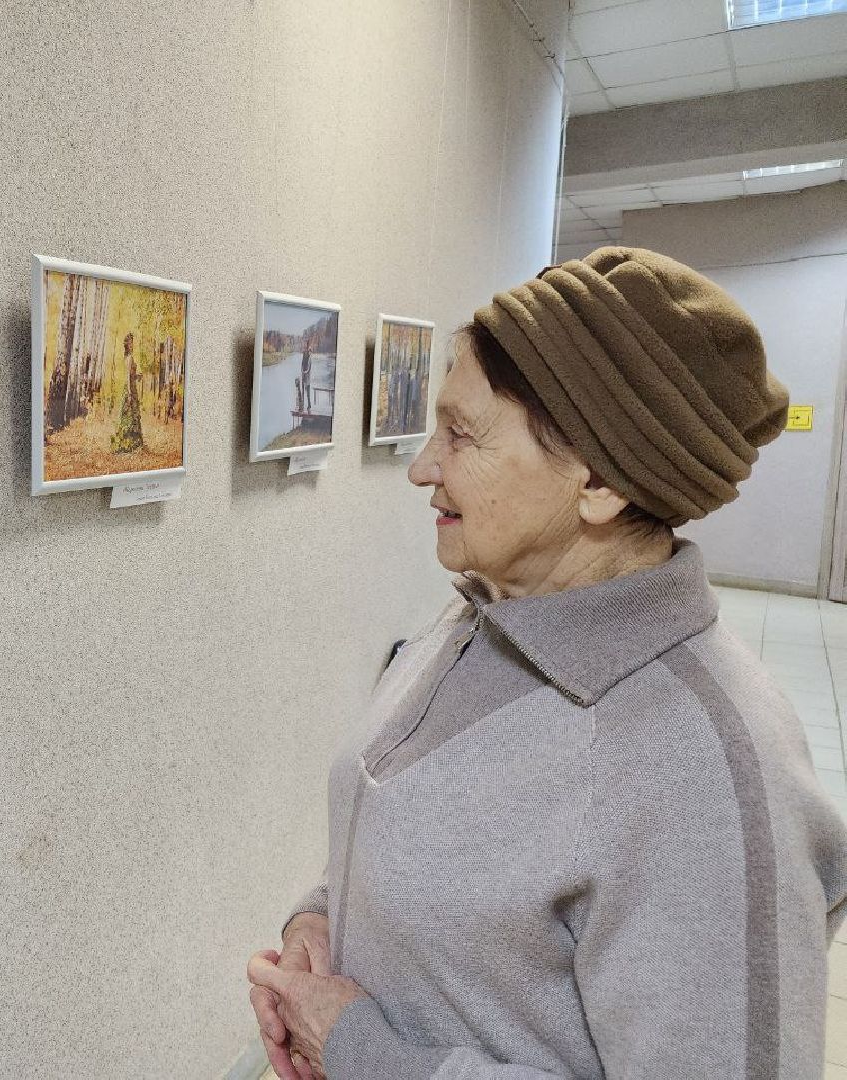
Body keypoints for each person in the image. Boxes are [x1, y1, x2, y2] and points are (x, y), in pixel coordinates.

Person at [248, 247, 847, 1079]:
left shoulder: (710, 777)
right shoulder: (483, 611)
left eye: (461, 434)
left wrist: (360, 1050)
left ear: (598, 482)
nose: (423, 466)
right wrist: (317, 921)